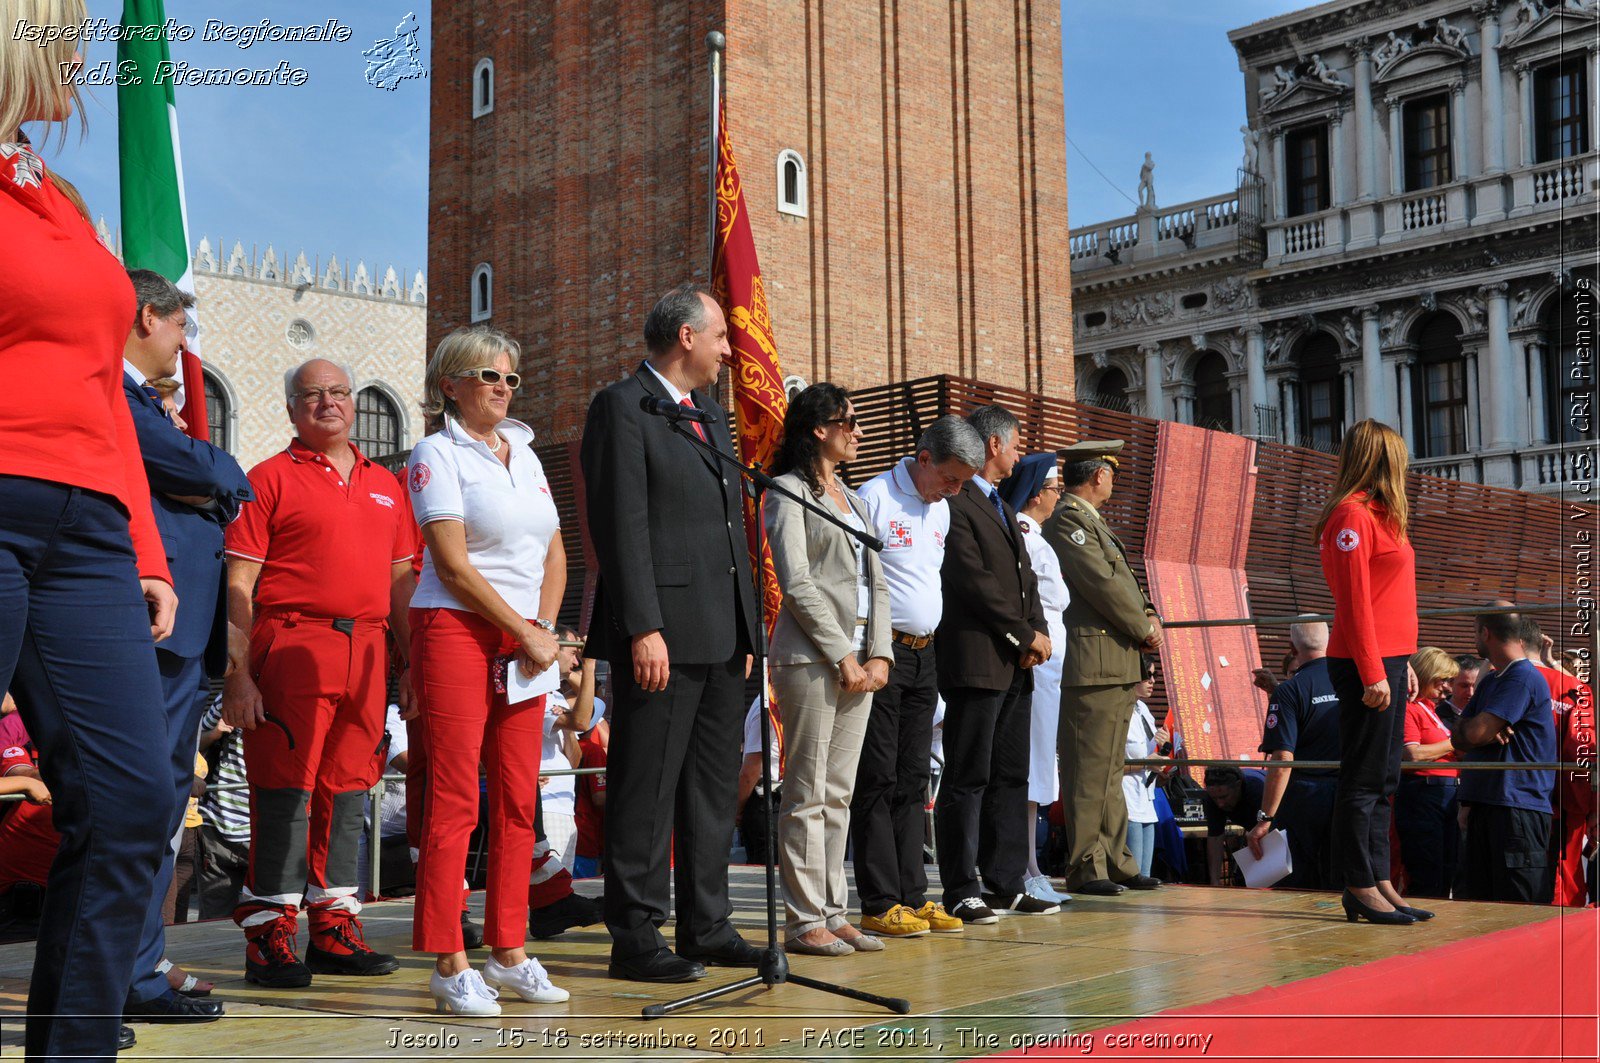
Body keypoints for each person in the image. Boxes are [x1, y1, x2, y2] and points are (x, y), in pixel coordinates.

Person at [1, 15, 178, 1055]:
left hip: (88, 536)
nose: (79, 58)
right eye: (62, 36)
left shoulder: (58, 201)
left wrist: (144, 549)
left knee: (129, 802)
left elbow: (106, 397)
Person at [580, 283, 760, 983]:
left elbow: (728, 528)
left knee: (712, 788)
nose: (727, 348)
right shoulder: (623, 406)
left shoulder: (711, 416)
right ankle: (636, 932)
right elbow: (620, 526)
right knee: (645, 787)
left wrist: (748, 622)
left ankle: (707, 922)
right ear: (686, 337)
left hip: (722, 633)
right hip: (663, 632)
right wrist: (642, 626)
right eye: (719, 336)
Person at [223, 358, 414, 984]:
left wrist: (408, 664)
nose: (327, 402)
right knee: (287, 793)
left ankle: (333, 932)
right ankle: (269, 937)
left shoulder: (386, 483)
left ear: (354, 402)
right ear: (291, 408)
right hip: (293, 644)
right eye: (312, 394)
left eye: (338, 392)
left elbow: (400, 583)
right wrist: (238, 673)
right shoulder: (268, 478)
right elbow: (240, 583)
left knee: (350, 792)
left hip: (370, 648)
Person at [405, 325, 570, 1014]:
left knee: (515, 794)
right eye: (487, 376)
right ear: (450, 385)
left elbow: (556, 549)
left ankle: (509, 947)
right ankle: (449, 959)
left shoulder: (525, 452)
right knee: (454, 798)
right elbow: (452, 564)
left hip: (522, 637)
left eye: (510, 378)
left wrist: (544, 631)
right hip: (456, 627)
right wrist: (525, 631)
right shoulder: (435, 452)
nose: (502, 388)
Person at [120, 267, 252, 1024]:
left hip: (182, 637)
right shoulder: (117, 390)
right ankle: (126, 972)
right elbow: (207, 470)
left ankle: (141, 961)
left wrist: (204, 479)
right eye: (178, 326)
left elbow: (200, 479)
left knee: (166, 806)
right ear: (148, 316)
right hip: (155, 628)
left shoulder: (148, 403)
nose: (182, 341)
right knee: (141, 805)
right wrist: (213, 474)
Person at [764, 384, 892, 955]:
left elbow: (876, 583)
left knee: (839, 792)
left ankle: (835, 911)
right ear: (820, 428)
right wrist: (842, 651)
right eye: (851, 422)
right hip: (811, 659)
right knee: (806, 791)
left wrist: (881, 651)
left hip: (861, 660)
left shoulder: (855, 499)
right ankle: (803, 918)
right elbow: (796, 583)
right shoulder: (787, 492)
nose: (859, 433)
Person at [851, 415, 983, 937]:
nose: (953, 491)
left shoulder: (942, 510)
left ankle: (912, 894)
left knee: (913, 778)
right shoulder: (874, 498)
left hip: (926, 654)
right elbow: (857, 582)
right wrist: (867, 654)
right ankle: (879, 900)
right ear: (924, 459)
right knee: (877, 777)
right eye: (950, 478)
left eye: (962, 484)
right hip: (882, 654)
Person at [935, 405, 1057, 925]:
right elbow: (972, 580)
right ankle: (961, 887)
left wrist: (1040, 633)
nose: (1019, 453)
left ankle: (1006, 881)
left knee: (1012, 774)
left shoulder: (1003, 508)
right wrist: (1022, 633)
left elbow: (1025, 582)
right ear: (992, 445)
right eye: (1014, 443)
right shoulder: (957, 502)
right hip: (978, 660)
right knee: (968, 776)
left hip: (1017, 664)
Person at [1317, 420, 1425, 926]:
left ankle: (1379, 878)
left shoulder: (1382, 516)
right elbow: (1355, 603)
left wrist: (1406, 662)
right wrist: (1373, 671)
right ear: (1382, 460)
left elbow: (1391, 598)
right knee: (1362, 777)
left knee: (1384, 776)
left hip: (1390, 659)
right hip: (1367, 661)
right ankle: (1359, 884)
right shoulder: (1352, 515)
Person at [1045, 439, 1164, 896]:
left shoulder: (1091, 522)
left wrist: (1149, 613)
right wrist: (1144, 626)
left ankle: (1117, 861)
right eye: (1111, 473)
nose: (1112, 481)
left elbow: (1126, 582)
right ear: (1098, 476)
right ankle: (1086, 867)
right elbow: (1102, 583)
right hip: (1092, 661)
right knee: (1089, 771)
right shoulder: (1070, 521)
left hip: (1113, 661)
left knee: (1113, 769)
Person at [1001, 454, 1073, 905]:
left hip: (1051, 671)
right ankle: (1025, 866)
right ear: (1035, 493)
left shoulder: (1039, 538)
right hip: (1037, 666)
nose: (1058, 495)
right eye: (1053, 487)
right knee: (1030, 768)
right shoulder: (1026, 537)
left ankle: (1032, 864)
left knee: (1040, 766)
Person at [1452, 610, 1557, 903]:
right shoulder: (1491, 681)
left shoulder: (1522, 678)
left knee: (1519, 909)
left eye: (1475, 632)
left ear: (1486, 632)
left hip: (1516, 808)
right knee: (1480, 907)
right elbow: (1459, 737)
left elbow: (1471, 735)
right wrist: (1479, 730)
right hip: (1490, 803)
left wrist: (1477, 731)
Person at [1243, 619, 1340, 890]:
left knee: (1302, 881)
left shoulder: (1290, 691)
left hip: (1307, 797)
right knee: (1341, 875)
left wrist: (1265, 819)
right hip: (1351, 792)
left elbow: (1283, 760)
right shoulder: (1350, 682)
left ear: (1291, 647)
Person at [1395, 648, 1461, 898]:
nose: (1448, 688)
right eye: (1443, 680)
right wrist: (1457, 742)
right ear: (1425, 674)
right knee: (1428, 872)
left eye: (1450, 681)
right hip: (1423, 795)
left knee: (1445, 869)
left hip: (1441, 795)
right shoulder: (1409, 708)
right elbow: (1412, 755)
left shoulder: (1429, 709)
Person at [196, 695, 251, 920]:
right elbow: (191, 745)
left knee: (267, 916)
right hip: (216, 827)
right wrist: (216, 732)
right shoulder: (227, 699)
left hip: (269, 829)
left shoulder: (294, 699)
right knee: (213, 918)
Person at [1123, 656, 1169, 879]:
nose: (1152, 681)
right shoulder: (1119, 711)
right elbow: (1108, 764)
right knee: (1134, 874)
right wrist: (1146, 763)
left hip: (1146, 798)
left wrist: (1163, 747)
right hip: (1127, 799)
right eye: (1147, 675)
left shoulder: (1143, 710)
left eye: (1155, 676)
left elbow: (1150, 754)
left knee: (1146, 873)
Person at [738, 695, 783, 867]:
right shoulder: (786, 699)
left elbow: (751, 771)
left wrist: (737, 809)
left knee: (762, 877)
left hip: (767, 803)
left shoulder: (766, 706)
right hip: (781, 800)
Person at [1202, 766, 1265, 885]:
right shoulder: (1213, 798)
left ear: (1238, 785)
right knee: (1244, 879)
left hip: (1283, 818)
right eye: (1215, 798)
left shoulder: (1258, 788)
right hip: (1254, 828)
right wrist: (1214, 882)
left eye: (1224, 797)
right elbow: (1215, 838)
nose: (1220, 804)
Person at [1439, 655, 1484, 729]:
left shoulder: (1487, 713)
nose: (1471, 693)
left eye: (1475, 685)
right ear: (1450, 683)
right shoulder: (1437, 717)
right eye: (1464, 686)